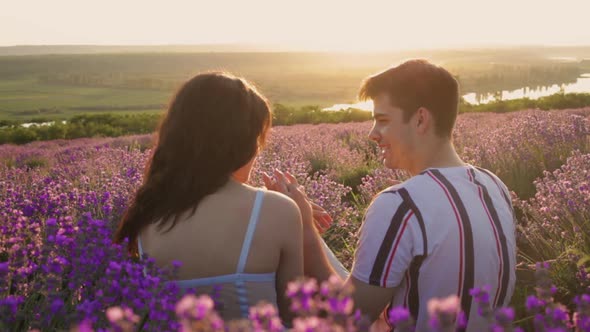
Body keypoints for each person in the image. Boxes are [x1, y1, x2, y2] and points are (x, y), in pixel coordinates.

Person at [266, 59, 517, 331]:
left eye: (383, 120)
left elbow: (350, 318)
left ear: (420, 119)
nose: (373, 134)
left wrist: (304, 229)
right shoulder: (494, 186)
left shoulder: (402, 204)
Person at [114, 72, 304, 323]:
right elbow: (298, 316)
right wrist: (305, 223)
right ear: (242, 142)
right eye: (259, 139)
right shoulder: (277, 210)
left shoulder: (145, 213)